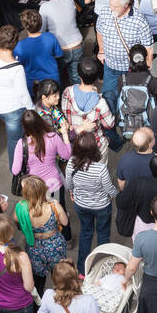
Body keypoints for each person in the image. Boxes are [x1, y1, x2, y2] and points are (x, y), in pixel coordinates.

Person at [95, 0, 154, 114]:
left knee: (130, 101)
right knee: (108, 99)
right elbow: (99, 31)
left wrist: (147, 69)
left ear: (126, 5)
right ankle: (111, 127)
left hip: (130, 71)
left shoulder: (140, 21)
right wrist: (101, 50)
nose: (111, 9)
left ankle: (127, 124)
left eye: (116, 6)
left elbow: (148, 48)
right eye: (110, 5)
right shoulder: (105, 12)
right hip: (110, 67)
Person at [0, 24, 33, 170]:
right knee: (15, 141)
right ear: (16, 42)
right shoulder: (17, 68)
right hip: (12, 110)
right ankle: (16, 169)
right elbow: (23, 94)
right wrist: (33, 109)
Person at [65, 129, 117, 264]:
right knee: (103, 234)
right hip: (102, 207)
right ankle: (103, 264)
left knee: (86, 233)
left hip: (81, 205)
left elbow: (69, 183)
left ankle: (82, 269)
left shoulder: (71, 163)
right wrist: (115, 195)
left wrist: (72, 192)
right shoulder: (100, 169)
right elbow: (109, 188)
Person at [16, 174, 68, 292]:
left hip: (34, 248)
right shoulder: (54, 205)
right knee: (59, 276)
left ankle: (38, 305)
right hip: (55, 246)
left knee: (38, 280)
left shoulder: (21, 208)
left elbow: (17, 222)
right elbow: (65, 222)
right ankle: (61, 297)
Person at [61, 56, 117, 160]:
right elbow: (109, 124)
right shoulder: (101, 102)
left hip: (76, 143)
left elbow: (65, 113)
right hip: (96, 146)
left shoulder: (67, 92)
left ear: (79, 75)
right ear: (96, 78)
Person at [39, 0, 84, 85]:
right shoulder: (69, 0)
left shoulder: (44, 7)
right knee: (75, 77)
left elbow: (41, 31)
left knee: (58, 79)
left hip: (60, 50)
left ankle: (61, 99)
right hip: (78, 45)